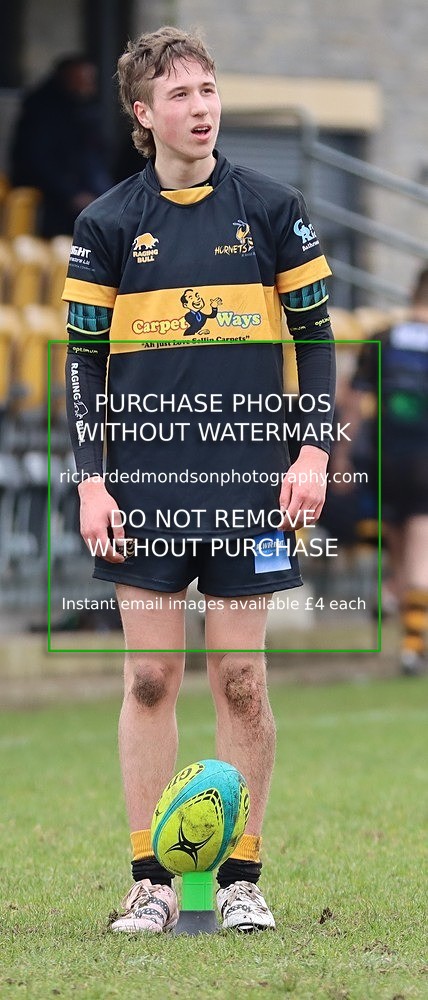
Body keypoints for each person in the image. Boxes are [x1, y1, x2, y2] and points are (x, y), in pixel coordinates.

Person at [62, 26, 335, 933]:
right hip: (143, 491)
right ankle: (147, 881)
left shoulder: (274, 208)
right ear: (144, 115)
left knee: (243, 681)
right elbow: (82, 365)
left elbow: (319, 341)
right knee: (147, 678)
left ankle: (240, 880)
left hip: (251, 487)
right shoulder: (105, 225)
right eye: (179, 94)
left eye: (208, 89)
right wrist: (91, 479)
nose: (201, 107)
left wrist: (309, 452)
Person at [336, 266, 428, 676]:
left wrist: (339, 457)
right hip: (425, 459)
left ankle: (391, 595)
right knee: (421, 549)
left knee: (400, 546)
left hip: (385, 459)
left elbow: (353, 404)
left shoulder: (383, 338)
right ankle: (412, 647)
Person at [10, 56, 113, 237]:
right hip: (51, 200)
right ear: (68, 78)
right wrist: (72, 194)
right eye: (84, 79)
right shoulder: (43, 111)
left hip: (84, 192)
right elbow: (38, 161)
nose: (90, 85)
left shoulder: (84, 109)